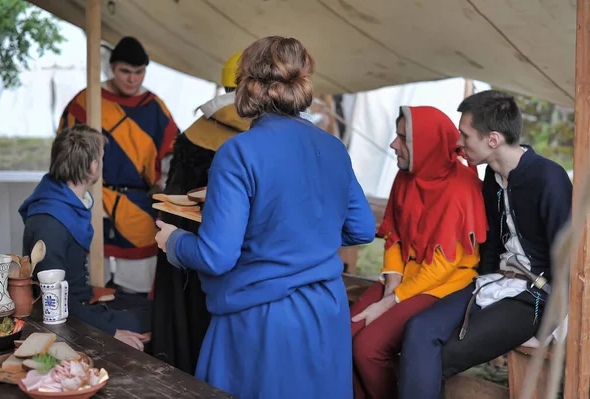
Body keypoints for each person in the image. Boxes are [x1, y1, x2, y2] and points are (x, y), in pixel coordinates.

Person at [155, 36, 376, 399]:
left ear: (249, 86)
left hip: (261, 318)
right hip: (326, 313)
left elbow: (217, 256)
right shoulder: (334, 148)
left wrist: (175, 242)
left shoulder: (237, 152)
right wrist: (303, 233)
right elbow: (362, 228)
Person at [399, 90, 573, 399]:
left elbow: (568, 258)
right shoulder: (492, 178)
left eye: (465, 135)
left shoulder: (549, 178)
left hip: (535, 298)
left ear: (492, 139)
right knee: (418, 331)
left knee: (434, 358)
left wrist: (551, 328)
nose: (458, 143)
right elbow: (492, 244)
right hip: (493, 283)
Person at [350, 106, 488, 399]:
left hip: (442, 285)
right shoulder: (405, 176)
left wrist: (389, 303)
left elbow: (443, 267)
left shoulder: (461, 188)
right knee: (343, 337)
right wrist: (391, 284)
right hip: (405, 278)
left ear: (426, 144)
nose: (392, 145)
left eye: (402, 139)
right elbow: (394, 237)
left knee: (367, 348)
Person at [150, 51, 250, 374]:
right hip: (224, 248)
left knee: (182, 326)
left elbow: (171, 188)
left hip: (177, 239)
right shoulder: (253, 138)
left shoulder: (195, 127)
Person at [58, 36, 179, 295]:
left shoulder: (155, 107)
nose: (133, 79)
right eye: (126, 71)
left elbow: (174, 157)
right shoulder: (86, 101)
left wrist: (168, 200)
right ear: (112, 67)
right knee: (90, 288)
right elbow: (64, 158)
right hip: (92, 203)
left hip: (140, 209)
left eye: (139, 72)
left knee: (138, 292)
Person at [20, 125, 151, 351]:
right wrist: (111, 333)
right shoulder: (50, 222)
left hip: (81, 301)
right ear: (93, 167)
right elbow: (54, 300)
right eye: (101, 157)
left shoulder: (63, 201)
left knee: (153, 308)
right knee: (160, 319)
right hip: (72, 315)